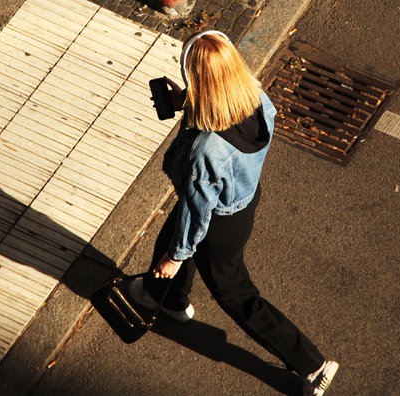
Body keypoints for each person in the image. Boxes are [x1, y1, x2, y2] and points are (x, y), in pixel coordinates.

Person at [130, 30, 339, 396]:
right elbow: (221, 114)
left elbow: (197, 215)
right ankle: (166, 298)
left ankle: (313, 365)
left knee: (236, 293)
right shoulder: (255, 98)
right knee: (176, 232)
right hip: (243, 199)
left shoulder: (204, 151)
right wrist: (186, 103)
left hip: (218, 222)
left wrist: (176, 258)